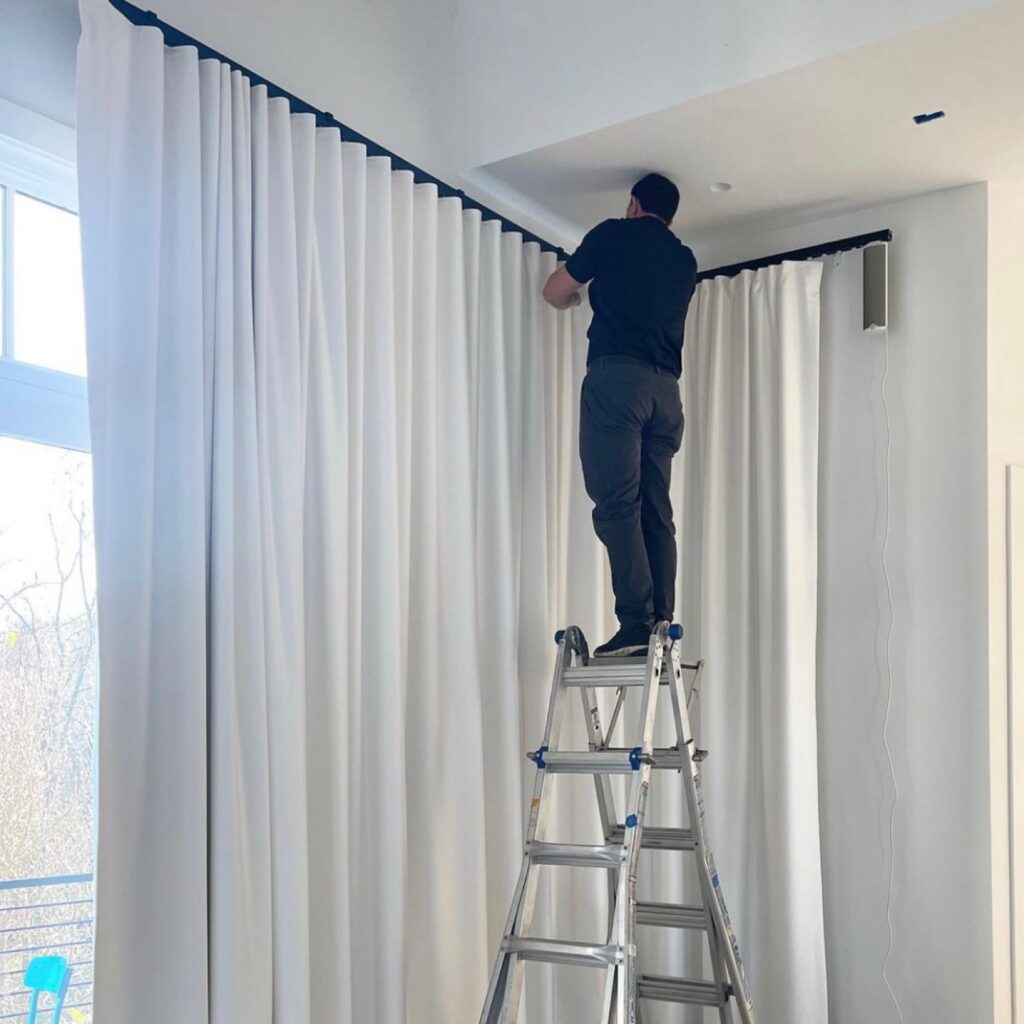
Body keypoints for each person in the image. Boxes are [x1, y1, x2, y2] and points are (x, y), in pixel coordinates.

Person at [542, 173, 698, 657]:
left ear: (633, 204)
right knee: (656, 507)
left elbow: (554, 290)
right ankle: (661, 623)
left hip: (619, 382)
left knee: (616, 504)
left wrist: (574, 299)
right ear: (669, 216)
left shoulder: (611, 233)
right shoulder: (684, 259)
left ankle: (635, 622)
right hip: (666, 393)